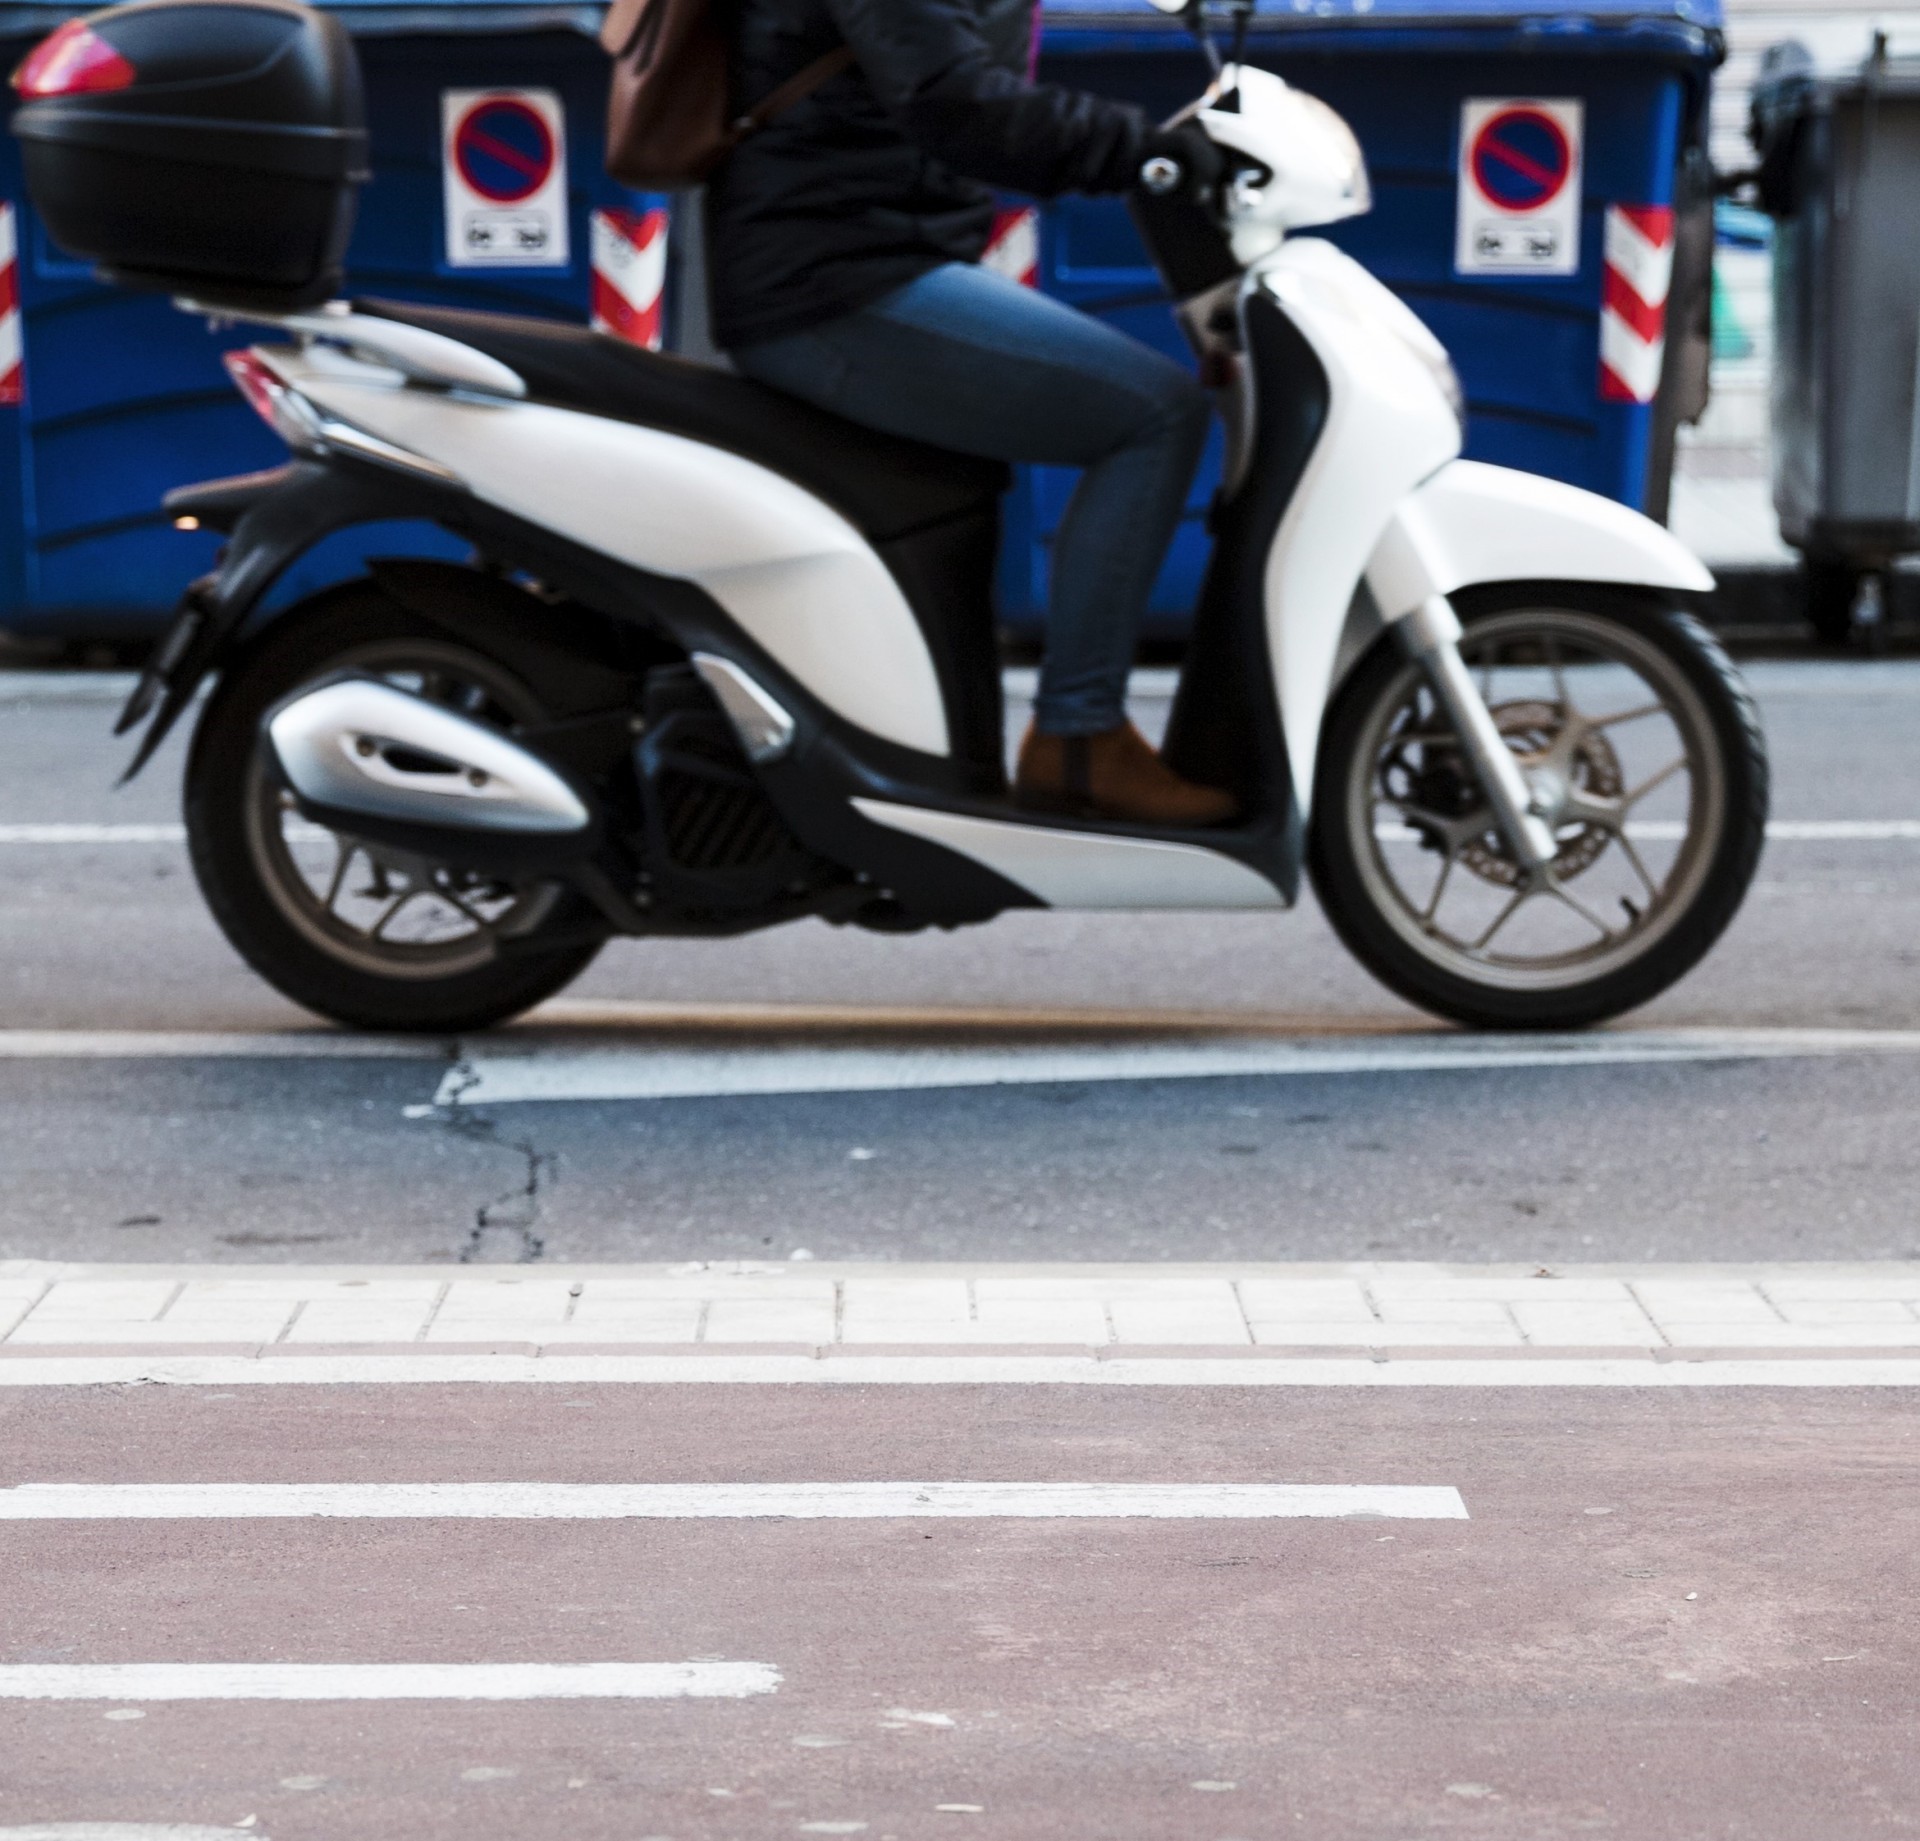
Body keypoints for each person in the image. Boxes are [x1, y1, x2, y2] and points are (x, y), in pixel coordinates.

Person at [708, 0, 1236, 827]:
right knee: (1154, 413)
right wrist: (1144, 152)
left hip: (868, 256)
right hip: (836, 282)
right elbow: (954, 101)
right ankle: (1080, 737)